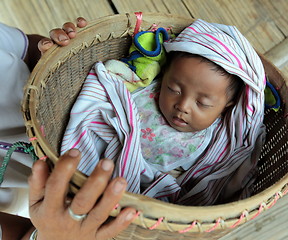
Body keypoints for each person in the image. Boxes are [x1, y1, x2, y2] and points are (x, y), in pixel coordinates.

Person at [60, 19, 266, 206]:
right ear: (163, 76)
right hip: (103, 165)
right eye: (173, 89)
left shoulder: (216, 141)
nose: (183, 105)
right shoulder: (145, 90)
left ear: (227, 106)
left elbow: (208, 179)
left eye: (202, 103)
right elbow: (111, 90)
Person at [0, 18, 136, 240]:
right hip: (62, 197)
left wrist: (49, 59)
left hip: (76, 100)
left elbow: (26, 50)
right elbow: (19, 234)